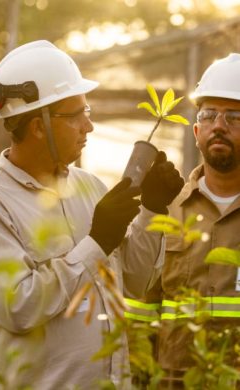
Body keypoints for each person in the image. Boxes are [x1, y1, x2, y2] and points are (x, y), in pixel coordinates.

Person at [0, 40, 184, 390]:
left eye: (89, 112)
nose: (89, 126)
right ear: (38, 126)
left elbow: (134, 281)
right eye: (77, 115)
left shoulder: (90, 187)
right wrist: (96, 242)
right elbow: (20, 308)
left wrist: (152, 210)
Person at [142, 53, 240, 389]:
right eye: (209, 115)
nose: (219, 126)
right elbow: (140, 307)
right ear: (197, 130)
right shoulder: (166, 210)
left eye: (234, 117)